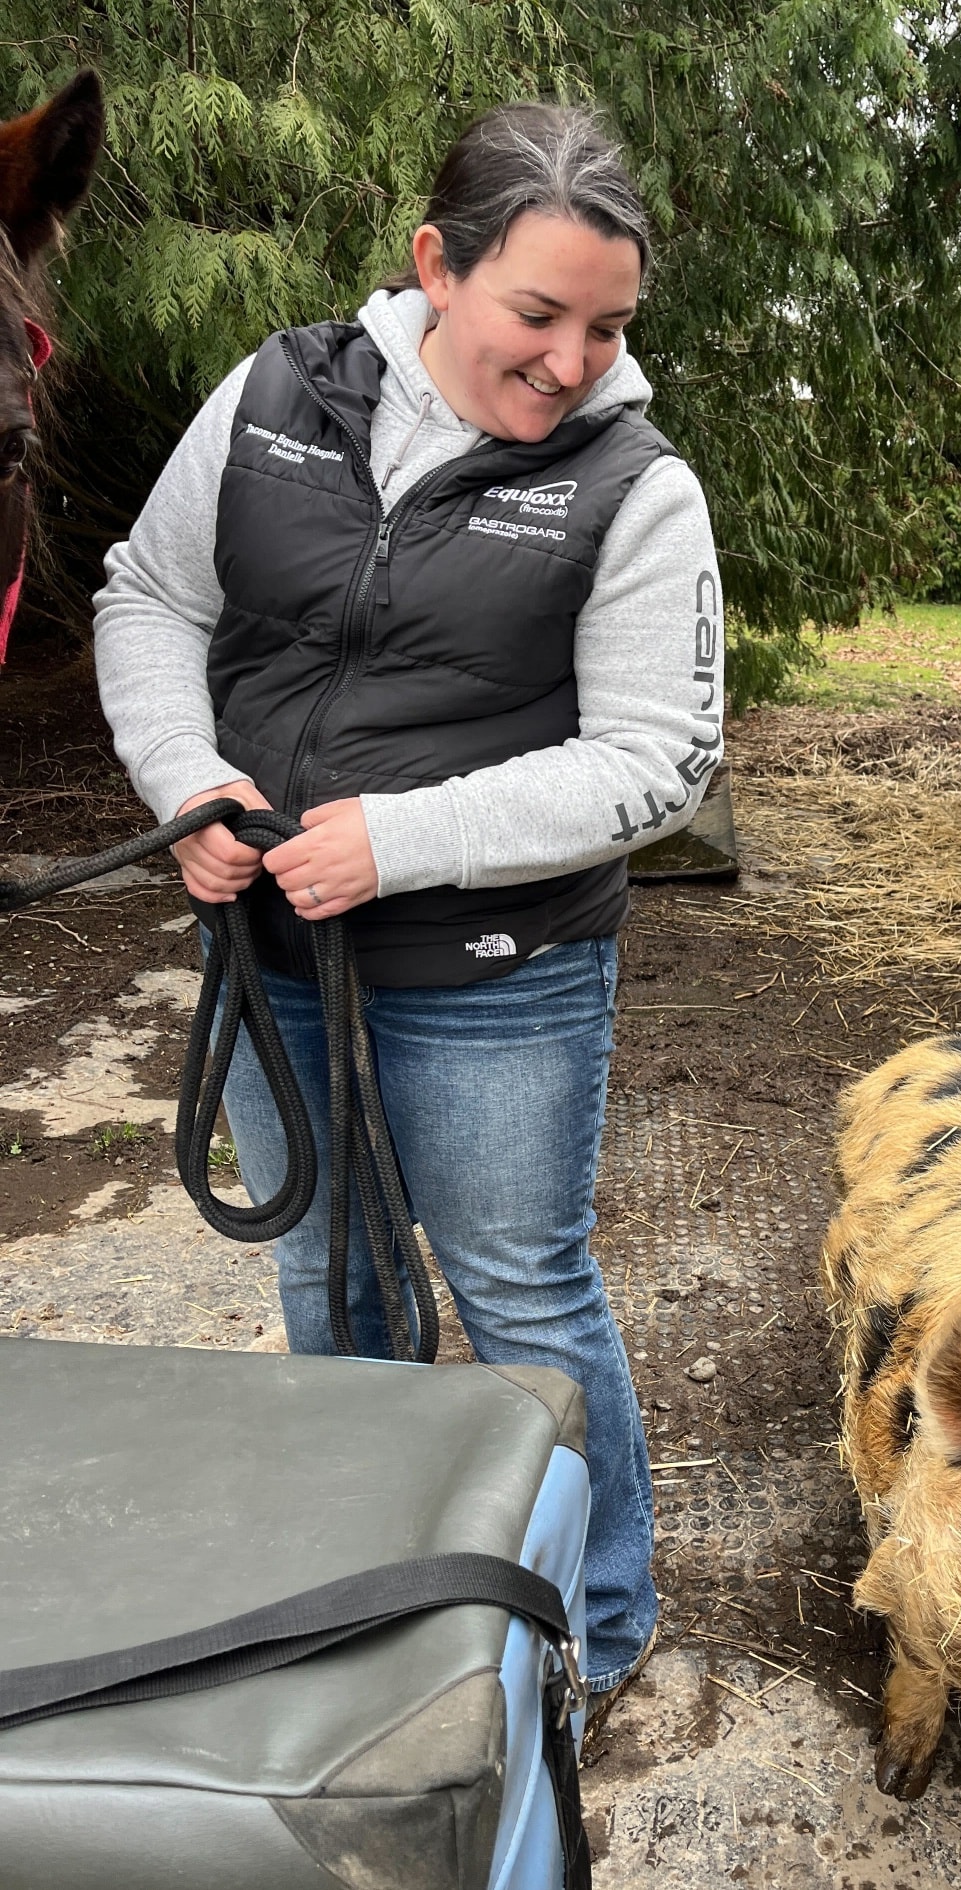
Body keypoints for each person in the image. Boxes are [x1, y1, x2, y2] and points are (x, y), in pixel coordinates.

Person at [93, 103, 724, 1717]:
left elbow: (657, 764)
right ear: (435, 267)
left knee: (521, 1294)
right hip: (270, 947)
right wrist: (188, 778)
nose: (575, 359)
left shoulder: (634, 490)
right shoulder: (274, 394)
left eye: (608, 325)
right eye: (540, 313)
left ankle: (593, 1615)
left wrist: (407, 839)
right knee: (334, 1274)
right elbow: (153, 598)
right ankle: (379, 1586)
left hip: (494, 974)